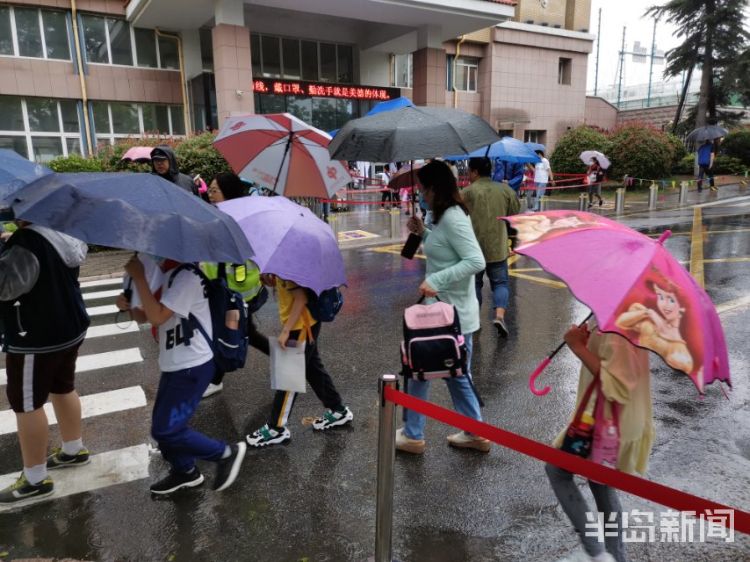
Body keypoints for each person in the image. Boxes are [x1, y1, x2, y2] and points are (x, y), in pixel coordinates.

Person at [117, 255, 246, 495]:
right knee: (162, 428)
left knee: (166, 430)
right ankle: (185, 471)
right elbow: (145, 316)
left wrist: (139, 278)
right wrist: (129, 304)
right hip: (174, 362)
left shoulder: (188, 276)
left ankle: (226, 453)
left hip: (192, 365)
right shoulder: (166, 274)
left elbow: (157, 317)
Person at [399, 160, 489, 454]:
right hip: (439, 311)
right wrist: (423, 232)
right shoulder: (442, 216)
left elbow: (476, 261)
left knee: (451, 374)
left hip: (453, 315)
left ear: (436, 188)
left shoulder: (453, 216)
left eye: (424, 188)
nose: (422, 194)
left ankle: (420, 434)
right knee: (425, 370)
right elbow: (446, 251)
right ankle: (419, 432)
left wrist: (436, 278)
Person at [546, 322, 654, 562]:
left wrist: (577, 346)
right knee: (601, 484)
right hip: (609, 417)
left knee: (556, 469)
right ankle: (614, 556)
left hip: (606, 421)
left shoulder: (621, 324)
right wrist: (586, 339)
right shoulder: (620, 315)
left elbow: (619, 383)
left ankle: (597, 551)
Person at [0, 223, 90, 504]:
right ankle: (73, 449)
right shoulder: (65, 231)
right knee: (63, 387)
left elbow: (6, 287)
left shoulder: (26, 242)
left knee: (26, 403)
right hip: (69, 326)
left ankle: (36, 479)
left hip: (35, 336)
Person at [246, 273, 353, 447]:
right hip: (306, 322)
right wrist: (273, 282)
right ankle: (338, 410)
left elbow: (300, 298)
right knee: (313, 369)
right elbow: (290, 291)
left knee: (289, 377)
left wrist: (286, 330)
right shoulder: (286, 265)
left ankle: (276, 429)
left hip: (301, 326)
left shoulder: (290, 267)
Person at [201, 172, 268, 399]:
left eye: (214, 191)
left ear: (227, 193)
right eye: (209, 190)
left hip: (236, 292)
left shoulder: (237, 220)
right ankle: (283, 359)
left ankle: (216, 378)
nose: (210, 195)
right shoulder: (219, 216)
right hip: (224, 288)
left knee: (227, 331)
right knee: (245, 331)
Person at [462, 157, 520, 337]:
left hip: (473, 248)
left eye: (469, 171)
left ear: (475, 172)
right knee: (501, 283)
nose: (468, 175)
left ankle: (475, 320)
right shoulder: (505, 190)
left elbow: (458, 216)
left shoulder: (466, 192)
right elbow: (514, 214)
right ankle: (499, 316)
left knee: (475, 285)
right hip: (498, 247)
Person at [615, 277, 693, 374]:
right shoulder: (650, 320)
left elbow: (682, 367)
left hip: (648, 380)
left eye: (671, 300)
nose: (664, 304)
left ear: (682, 308)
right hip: (631, 373)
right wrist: (647, 312)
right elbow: (620, 322)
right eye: (660, 297)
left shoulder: (679, 349)